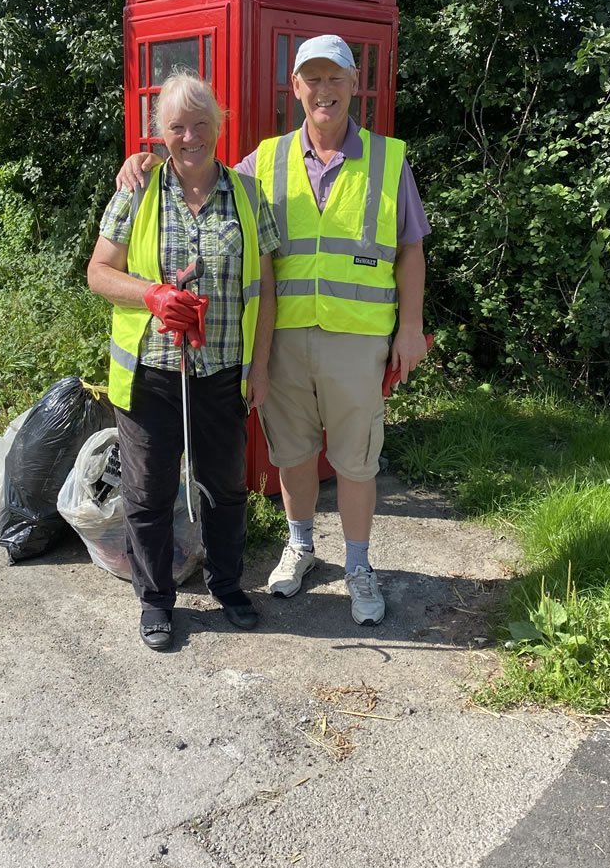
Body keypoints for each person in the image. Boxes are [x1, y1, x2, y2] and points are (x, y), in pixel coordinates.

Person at [117, 35, 429, 627]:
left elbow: (411, 248)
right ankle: (301, 546)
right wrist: (143, 160)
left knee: (357, 459)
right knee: (292, 453)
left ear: (354, 84)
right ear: (296, 88)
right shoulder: (266, 160)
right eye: (312, 79)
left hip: (357, 339)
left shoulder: (389, 160)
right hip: (282, 337)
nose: (324, 90)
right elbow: (198, 179)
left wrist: (410, 326)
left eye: (335, 78)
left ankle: (359, 566)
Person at [89, 69, 279, 651]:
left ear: (218, 127)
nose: (190, 136)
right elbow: (98, 274)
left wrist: (262, 366)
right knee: (147, 494)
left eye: (201, 124)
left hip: (221, 371)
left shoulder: (247, 195)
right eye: (177, 127)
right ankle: (155, 601)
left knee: (224, 488)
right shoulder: (137, 188)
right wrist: (151, 294)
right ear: (159, 134)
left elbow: (267, 289)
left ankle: (227, 585)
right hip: (151, 373)